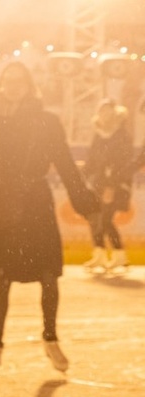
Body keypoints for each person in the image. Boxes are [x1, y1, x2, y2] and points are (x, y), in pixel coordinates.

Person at [0, 62, 99, 377]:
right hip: (3, 203)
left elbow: (66, 164)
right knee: (2, 278)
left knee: (49, 275)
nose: (13, 86)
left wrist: (85, 202)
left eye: (19, 81)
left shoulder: (47, 122)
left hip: (37, 204)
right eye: (8, 80)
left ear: (29, 86)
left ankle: (50, 338)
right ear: (1, 85)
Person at [81, 99, 133, 274]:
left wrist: (111, 186)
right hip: (97, 183)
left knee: (105, 219)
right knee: (95, 218)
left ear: (114, 112)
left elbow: (122, 163)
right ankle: (100, 253)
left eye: (107, 111)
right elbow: (91, 160)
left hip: (115, 184)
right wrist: (82, 179)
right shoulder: (99, 135)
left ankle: (119, 254)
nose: (104, 114)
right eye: (101, 111)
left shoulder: (122, 135)